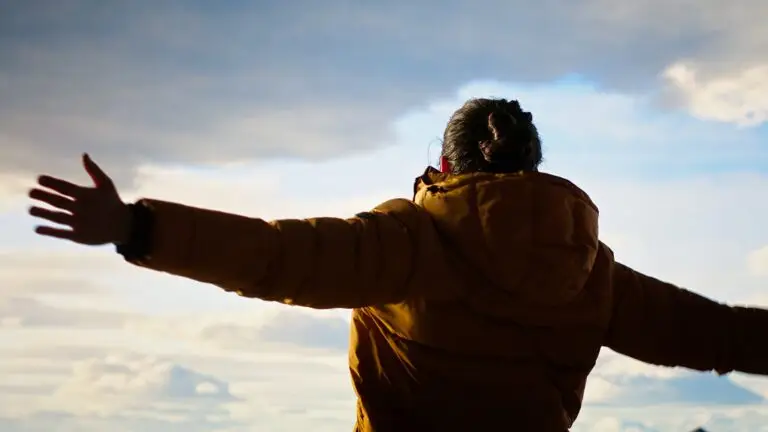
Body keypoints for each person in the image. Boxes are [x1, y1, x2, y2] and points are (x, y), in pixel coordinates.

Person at [28, 98, 768, 432]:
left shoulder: (410, 241)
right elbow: (719, 335)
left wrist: (136, 227)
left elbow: (274, 257)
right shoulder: (589, 271)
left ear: (442, 168)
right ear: (535, 169)